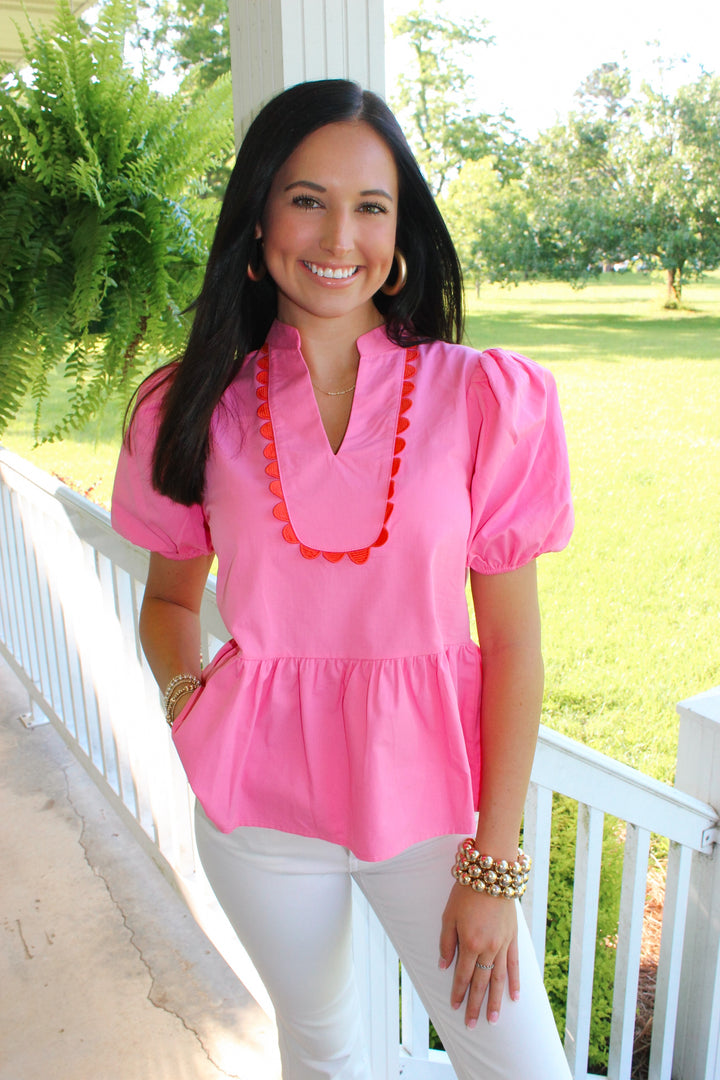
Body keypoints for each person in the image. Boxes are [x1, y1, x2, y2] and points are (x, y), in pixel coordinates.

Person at [111, 79, 574, 1080]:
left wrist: (494, 861)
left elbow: (515, 645)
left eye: (372, 205)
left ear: (402, 230)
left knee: (520, 1063)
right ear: (260, 215)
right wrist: (189, 691)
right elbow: (171, 599)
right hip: (261, 813)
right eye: (307, 197)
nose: (339, 234)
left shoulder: (485, 399)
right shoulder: (192, 407)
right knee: (322, 1052)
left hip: (436, 811)